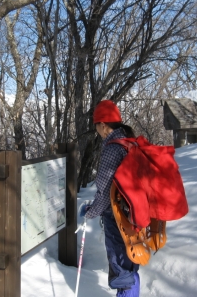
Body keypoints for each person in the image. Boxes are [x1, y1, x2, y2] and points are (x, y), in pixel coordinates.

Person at [79, 100, 140, 297]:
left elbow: (105, 192)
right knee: (130, 264)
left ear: (103, 125)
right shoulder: (130, 142)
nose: (96, 129)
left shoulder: (112, 149)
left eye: (96, 125)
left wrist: (91, 212)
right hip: (134, 215)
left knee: (121, 267)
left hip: (118, 218)